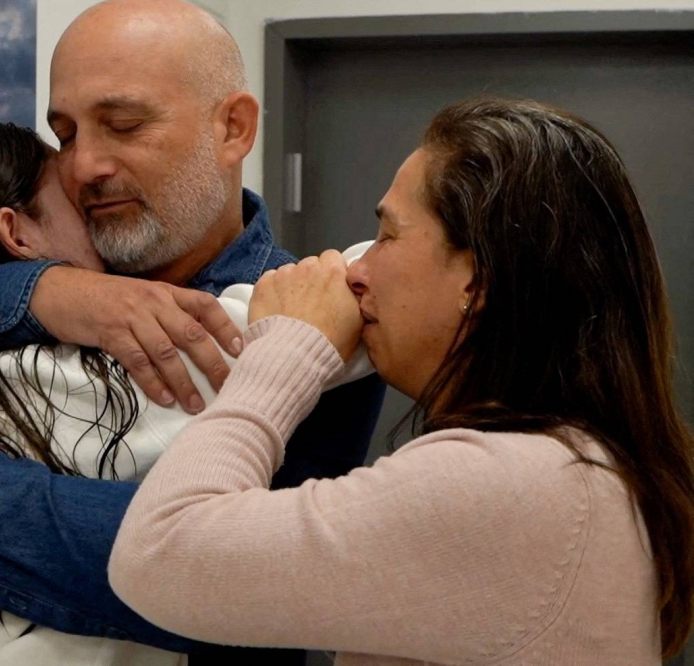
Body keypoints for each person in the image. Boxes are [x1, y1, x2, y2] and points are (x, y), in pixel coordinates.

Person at [0, 0, 385, 662]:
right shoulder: (28, 278)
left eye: (123, 125)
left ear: (233, 129)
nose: (83, 166)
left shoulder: (308, 318)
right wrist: (40, 293)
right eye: (65, 135)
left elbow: (258, 587)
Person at [108, 98, 694, 664]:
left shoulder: (509, 484)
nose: (357, 271)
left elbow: (156, 554)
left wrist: (283, 352)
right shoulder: (572, 468)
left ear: (477, 281)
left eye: (387, 237)